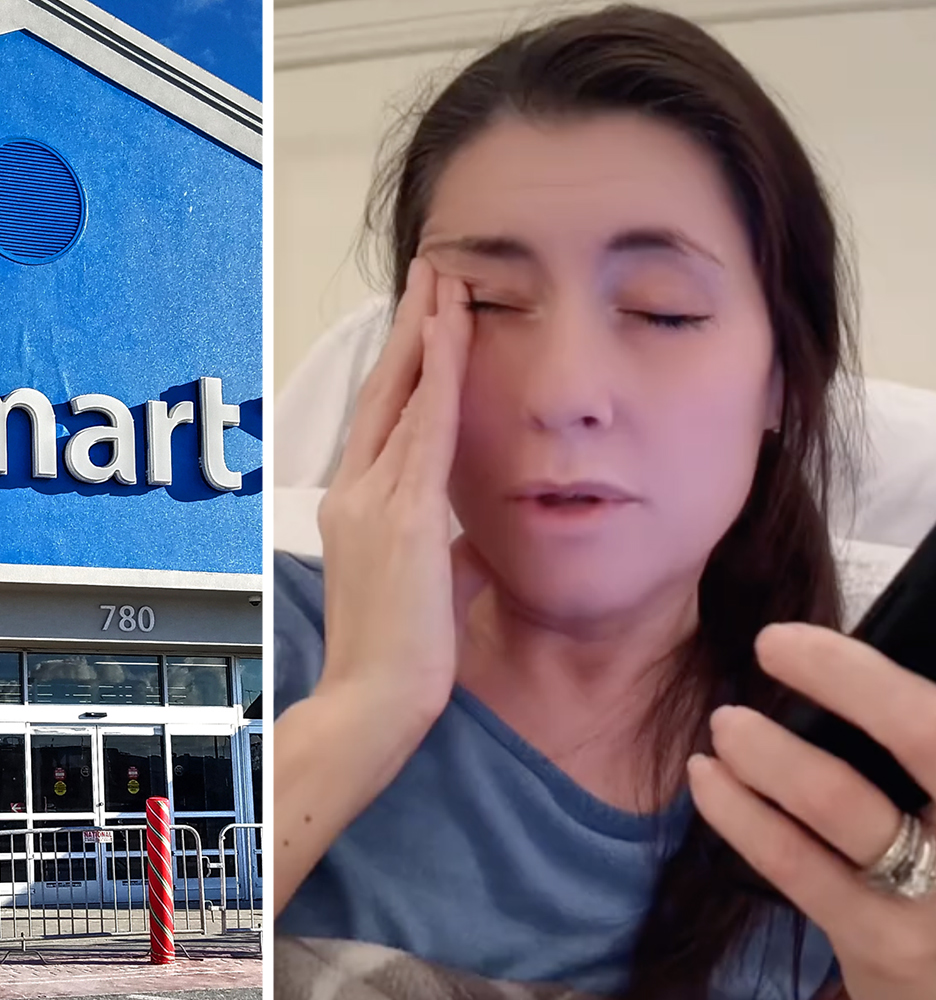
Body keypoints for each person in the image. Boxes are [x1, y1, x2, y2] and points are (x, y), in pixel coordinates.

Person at [274, 6, 936, 999]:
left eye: (663, 311)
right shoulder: (230, 647)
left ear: (778, 376)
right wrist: (361, 708)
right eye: (487, 305)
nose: (562, 392)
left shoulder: (854, 790)